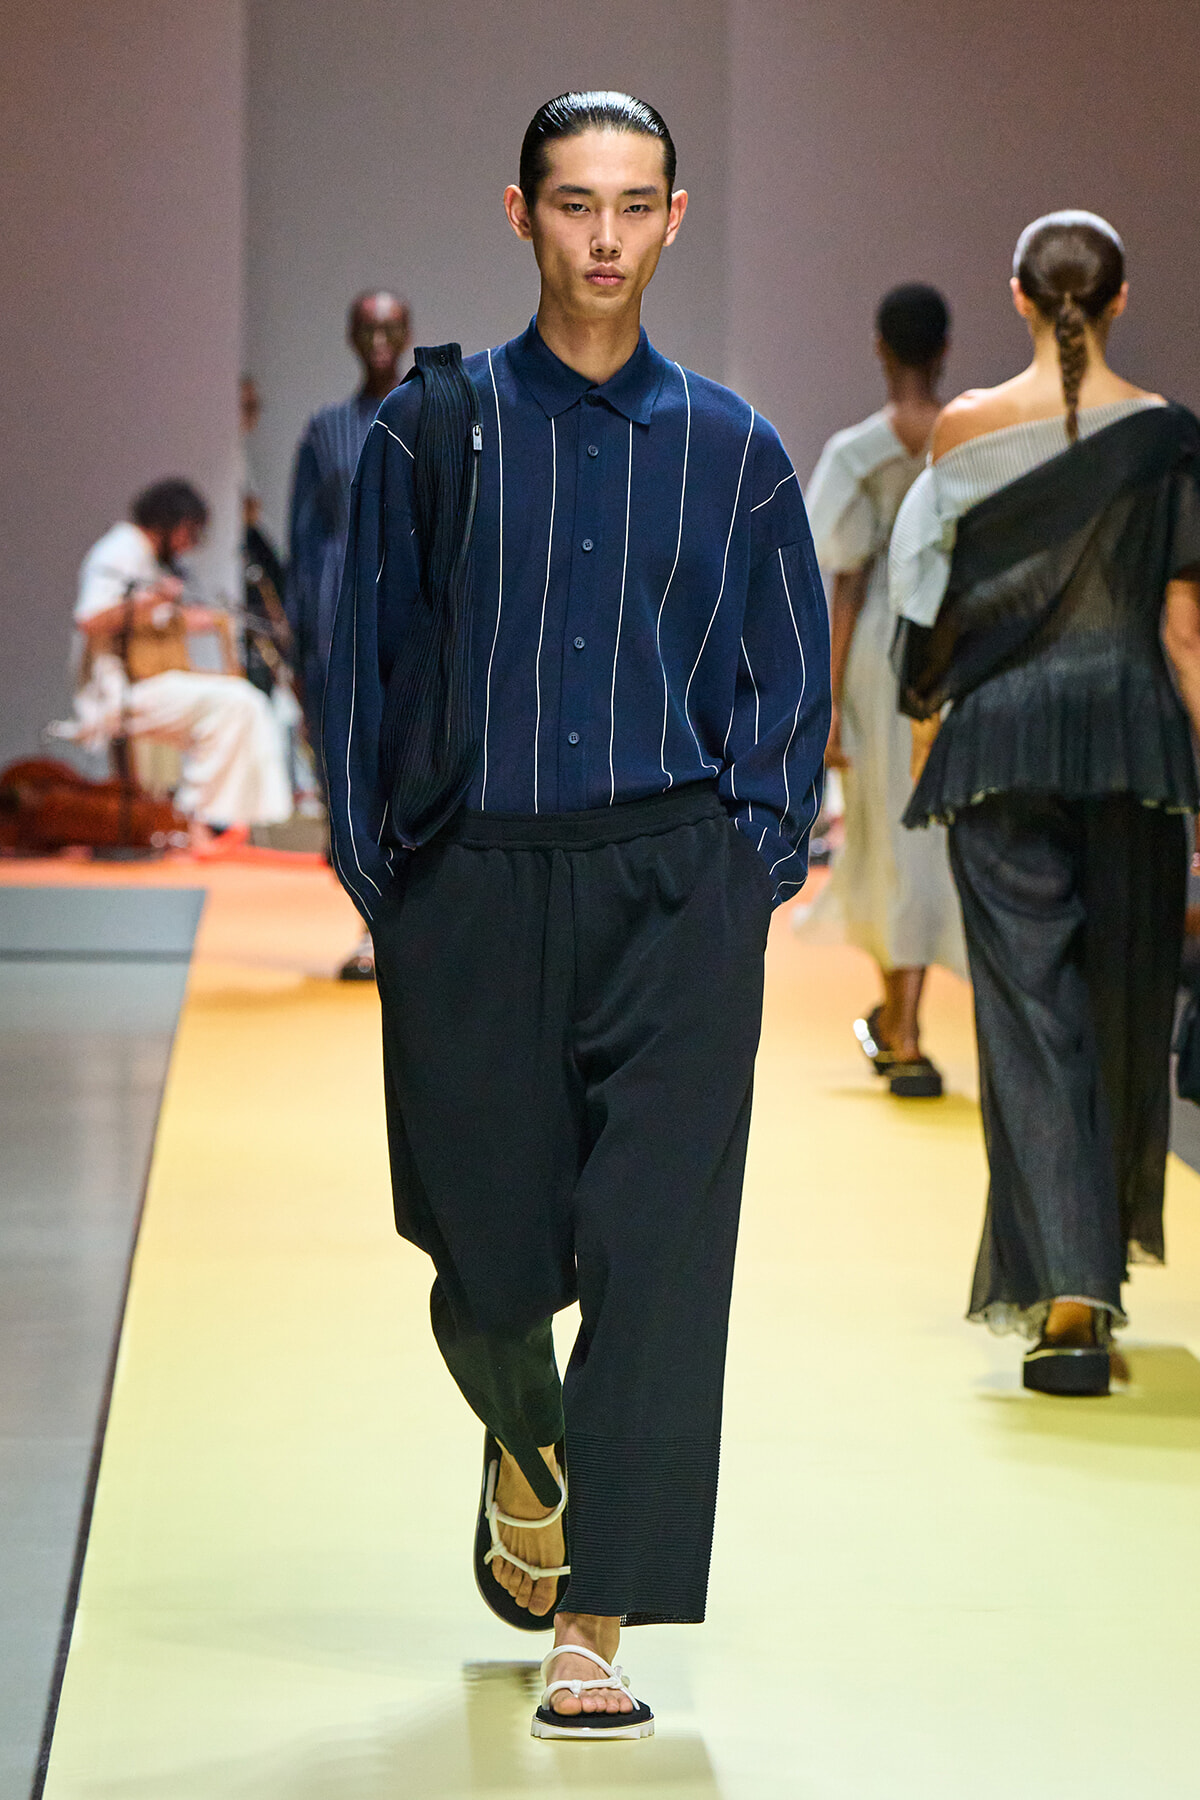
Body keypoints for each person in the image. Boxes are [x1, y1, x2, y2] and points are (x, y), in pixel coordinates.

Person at [323, 91, 829, 1738]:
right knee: (483, 1264)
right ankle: (530, 1439)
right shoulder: (428, 431)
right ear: (520, 213)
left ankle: (594, 1622)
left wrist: (750, 866)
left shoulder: (736, 448)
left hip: (676, 889)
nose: (603, 237)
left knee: (657, 1260)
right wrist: (387, 885)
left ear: (674, 217)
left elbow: (787, 675)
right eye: (572, 203)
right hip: (472, 883)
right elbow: (359, 657)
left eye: (632, 204)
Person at [891, 211, 1200, 1396]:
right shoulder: (1168, 436)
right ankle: (1087, 1274)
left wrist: (924, 727)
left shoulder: (963, 428)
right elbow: (1185, 635)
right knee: (1122, 1002)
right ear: (1120, 300)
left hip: (1002, 743)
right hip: (1132, 743)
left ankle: (1070, 1299)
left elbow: (930, 601)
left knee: (1031, 1018)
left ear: (1017, 296)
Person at [801, 286, 965, 1097]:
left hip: (876, 655)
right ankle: (903, 1020)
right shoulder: (968, 440)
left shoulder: (856, 453)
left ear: (879, 346)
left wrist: (828, 701)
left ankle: (899, 1025)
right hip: (950, 653)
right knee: (926, 836)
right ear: (944, 349)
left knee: (880, 834)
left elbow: (845, 582)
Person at [288, 290, 411, 977]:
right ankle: (369, 923)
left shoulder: (428, 416)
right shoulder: (325, 429)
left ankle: (403, 927)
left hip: (412, 626)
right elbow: (303, 540)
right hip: (336, 629)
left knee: (409, 772)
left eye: (390, 328)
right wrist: (301, 646)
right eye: (367, 328)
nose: (379, 340)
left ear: (408, 332)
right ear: (350, 335)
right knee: (344, 777)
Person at [54, 479, 292, 828]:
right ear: (172, 523)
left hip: (146, 682)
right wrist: (154, 599)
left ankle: (224, 821)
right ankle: (197, 820)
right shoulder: (120, 549)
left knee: (247, 702)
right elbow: (89, 619)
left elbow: (154, 620)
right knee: (236, 704)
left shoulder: (145, 557)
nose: (189, 543)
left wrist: (202, 619)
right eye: (190, 532)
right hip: (119, 689)